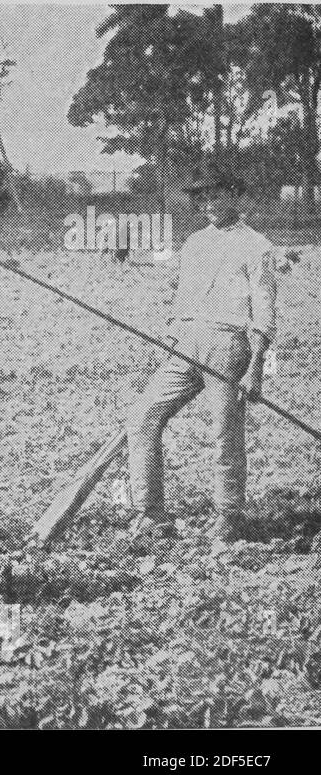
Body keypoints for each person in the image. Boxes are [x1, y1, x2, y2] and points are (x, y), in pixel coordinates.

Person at [126, 172, 277, 545]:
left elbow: (264, 309)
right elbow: (181, 291)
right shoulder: (194, 242)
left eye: (217, 195)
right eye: (203, 197)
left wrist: (255, 368)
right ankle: (152, 513)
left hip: (228, 345)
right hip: (185, 343)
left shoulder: (257, 247)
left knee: (225, 432)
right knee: (142, 416)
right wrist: (172, 334)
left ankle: (229, 515)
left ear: (236, 195)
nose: (208, 203)